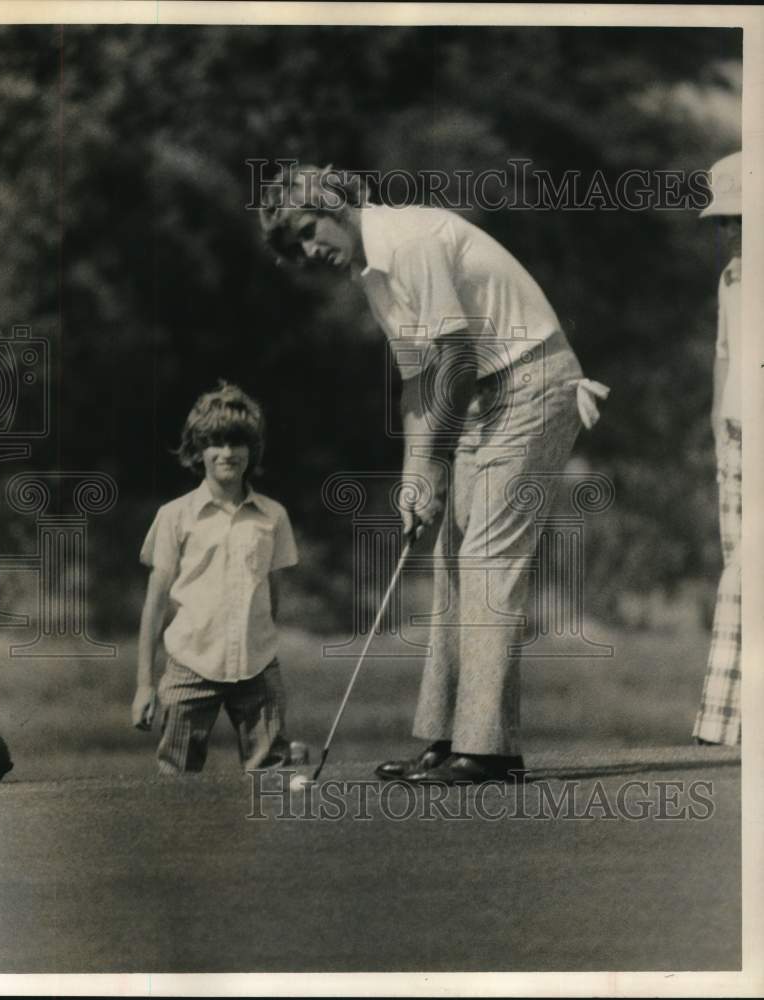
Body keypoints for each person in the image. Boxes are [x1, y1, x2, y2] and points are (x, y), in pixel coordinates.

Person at [260, 164, 608, 784]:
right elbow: (418, 381)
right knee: (452, 558)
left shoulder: (409, 241)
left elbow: (453, 361)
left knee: (488, 560)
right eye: (296, 247)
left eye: (308, 231)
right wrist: (414, 479)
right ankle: (449, 740)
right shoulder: (373, 274)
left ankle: (489, 751)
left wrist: (435, 459)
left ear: (334, 207)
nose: (309, 251)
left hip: (535, 380)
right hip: (485, 392)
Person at [131, 381, 304, 773]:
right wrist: (144, 684)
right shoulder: (175, 516)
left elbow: (272, 597)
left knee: (271, 780)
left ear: (252, 450)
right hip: (190, 667)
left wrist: (257, 644)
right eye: (215, 443)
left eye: (237, 443)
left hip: (257, 670)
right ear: (198, 451)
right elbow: (155, 605)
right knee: (176, 778)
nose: (227, 453)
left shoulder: (273, 516)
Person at [693, 151, 742, 747]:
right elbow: (724, 352)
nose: (729, 233)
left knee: (744, 573)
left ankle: (725, 720)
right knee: (737, 564)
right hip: (735, 440)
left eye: (741, 220)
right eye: (724, 223)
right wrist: (715, 419)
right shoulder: (731, 279)